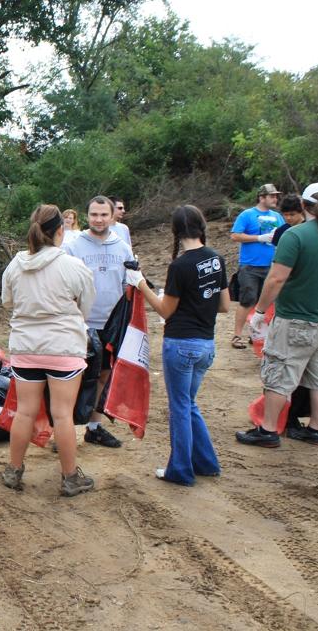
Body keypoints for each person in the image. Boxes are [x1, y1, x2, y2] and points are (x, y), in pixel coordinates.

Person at [127, 206, 229, 485]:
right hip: (206, 343)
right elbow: (224, 305)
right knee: (188, 403)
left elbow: (165, 310)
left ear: (175, 231)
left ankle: (181, 470)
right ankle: (206, 462)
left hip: (181, 343)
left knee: (180, 408)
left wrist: (141, 284)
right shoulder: (216, 259)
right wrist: (198, 303)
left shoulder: (180, 266)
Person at [0, 204, 96, 495]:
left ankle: (14, 470)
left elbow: (7, 302)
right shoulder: (73, 266)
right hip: (64, 348)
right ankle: (70, 478)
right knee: (63, 414)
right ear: (60, 231)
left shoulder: (15, 265)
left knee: (24, 412)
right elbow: (86, 307)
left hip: (26, 348)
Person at [236, 181, 318, 447]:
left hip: (295, 318)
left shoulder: (296, 236)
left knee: (279, 373)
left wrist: (260, 311)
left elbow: (276, 279)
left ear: (303, 205)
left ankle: (268, 429)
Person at [64, 195, 134, 448]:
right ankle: (64, 429)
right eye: (94, 214)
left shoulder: (122, 247)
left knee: (104, 375)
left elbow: (128, 285)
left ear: (112, 216)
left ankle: (93, 427)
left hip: (110, 324)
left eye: (104, 215)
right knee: (73, 377)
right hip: (80, 324)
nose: (99, 219)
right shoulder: (72, 246)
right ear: (87, 215)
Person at [229, 183, 284, 349]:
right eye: (272, 196)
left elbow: (284, 235)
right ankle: (237, 336)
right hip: (250, 266)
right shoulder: (247, 215)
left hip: (272, 266)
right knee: (247, 300)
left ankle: (257, 335)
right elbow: (235, 235)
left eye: (276, 196)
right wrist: (259, 238)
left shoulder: (277, 216)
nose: (275, 199)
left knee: (266, 302)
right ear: (261, 197)